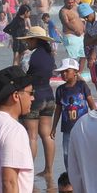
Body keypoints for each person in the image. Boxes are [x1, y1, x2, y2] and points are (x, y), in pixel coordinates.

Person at [20, 29, 58, 175]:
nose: (26, 42)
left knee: (32, 136)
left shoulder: (29, 55)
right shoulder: (49, 55)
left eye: (28, 40)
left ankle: (27, 172)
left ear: (35, 40)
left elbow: (23, 75)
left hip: (34, 96)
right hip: (48, 95)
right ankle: (48, 170)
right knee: (47, 135)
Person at [54, 58, 92, 171]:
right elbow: (58, 109)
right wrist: (53, 127)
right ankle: (69, 174)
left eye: (67, 71)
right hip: (67, 129)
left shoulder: (82, 86)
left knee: (83, 152)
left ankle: (84, 173)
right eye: (62, 72)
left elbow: (91, 104)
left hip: (83, 127)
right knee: (67, 153)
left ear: (75, 72)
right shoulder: (60, 90)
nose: (64, 74)